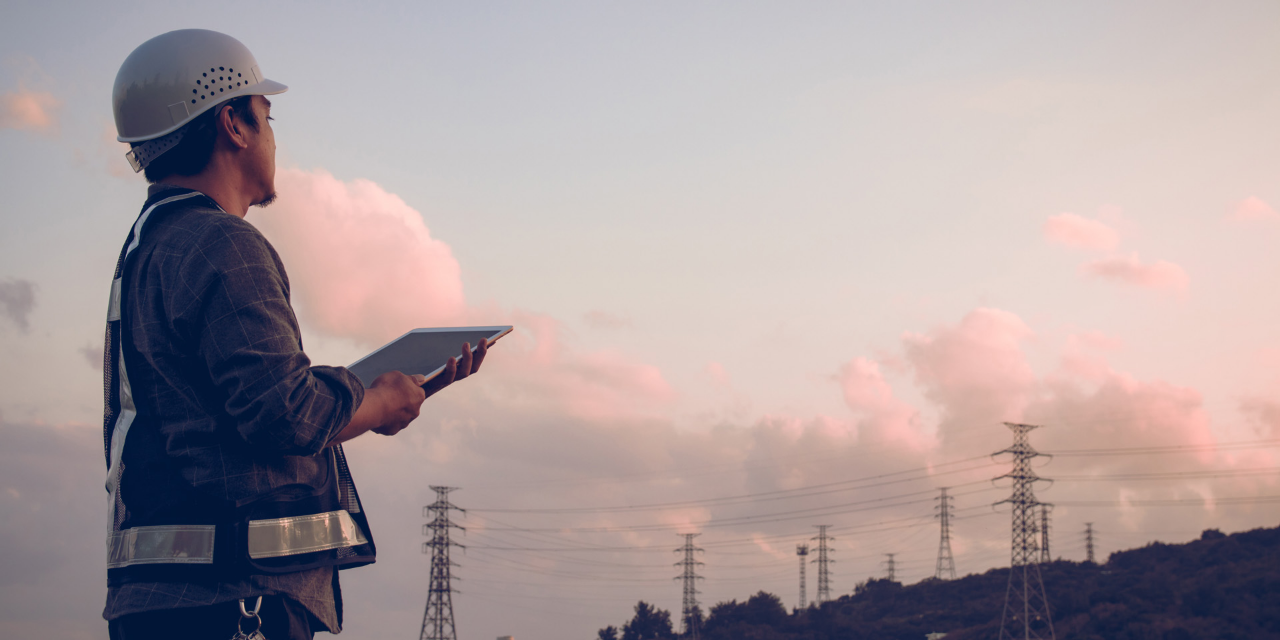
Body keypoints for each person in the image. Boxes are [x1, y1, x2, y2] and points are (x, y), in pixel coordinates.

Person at [101, 29, 483, 639]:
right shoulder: (225, 244)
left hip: (160, 603)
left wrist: (370, 407)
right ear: (233, 123)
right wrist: (379, 399)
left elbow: (230, 424)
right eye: (267, 114)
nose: (273, 135)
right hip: (235, 604)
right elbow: (283, 414)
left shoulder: (148, 249)